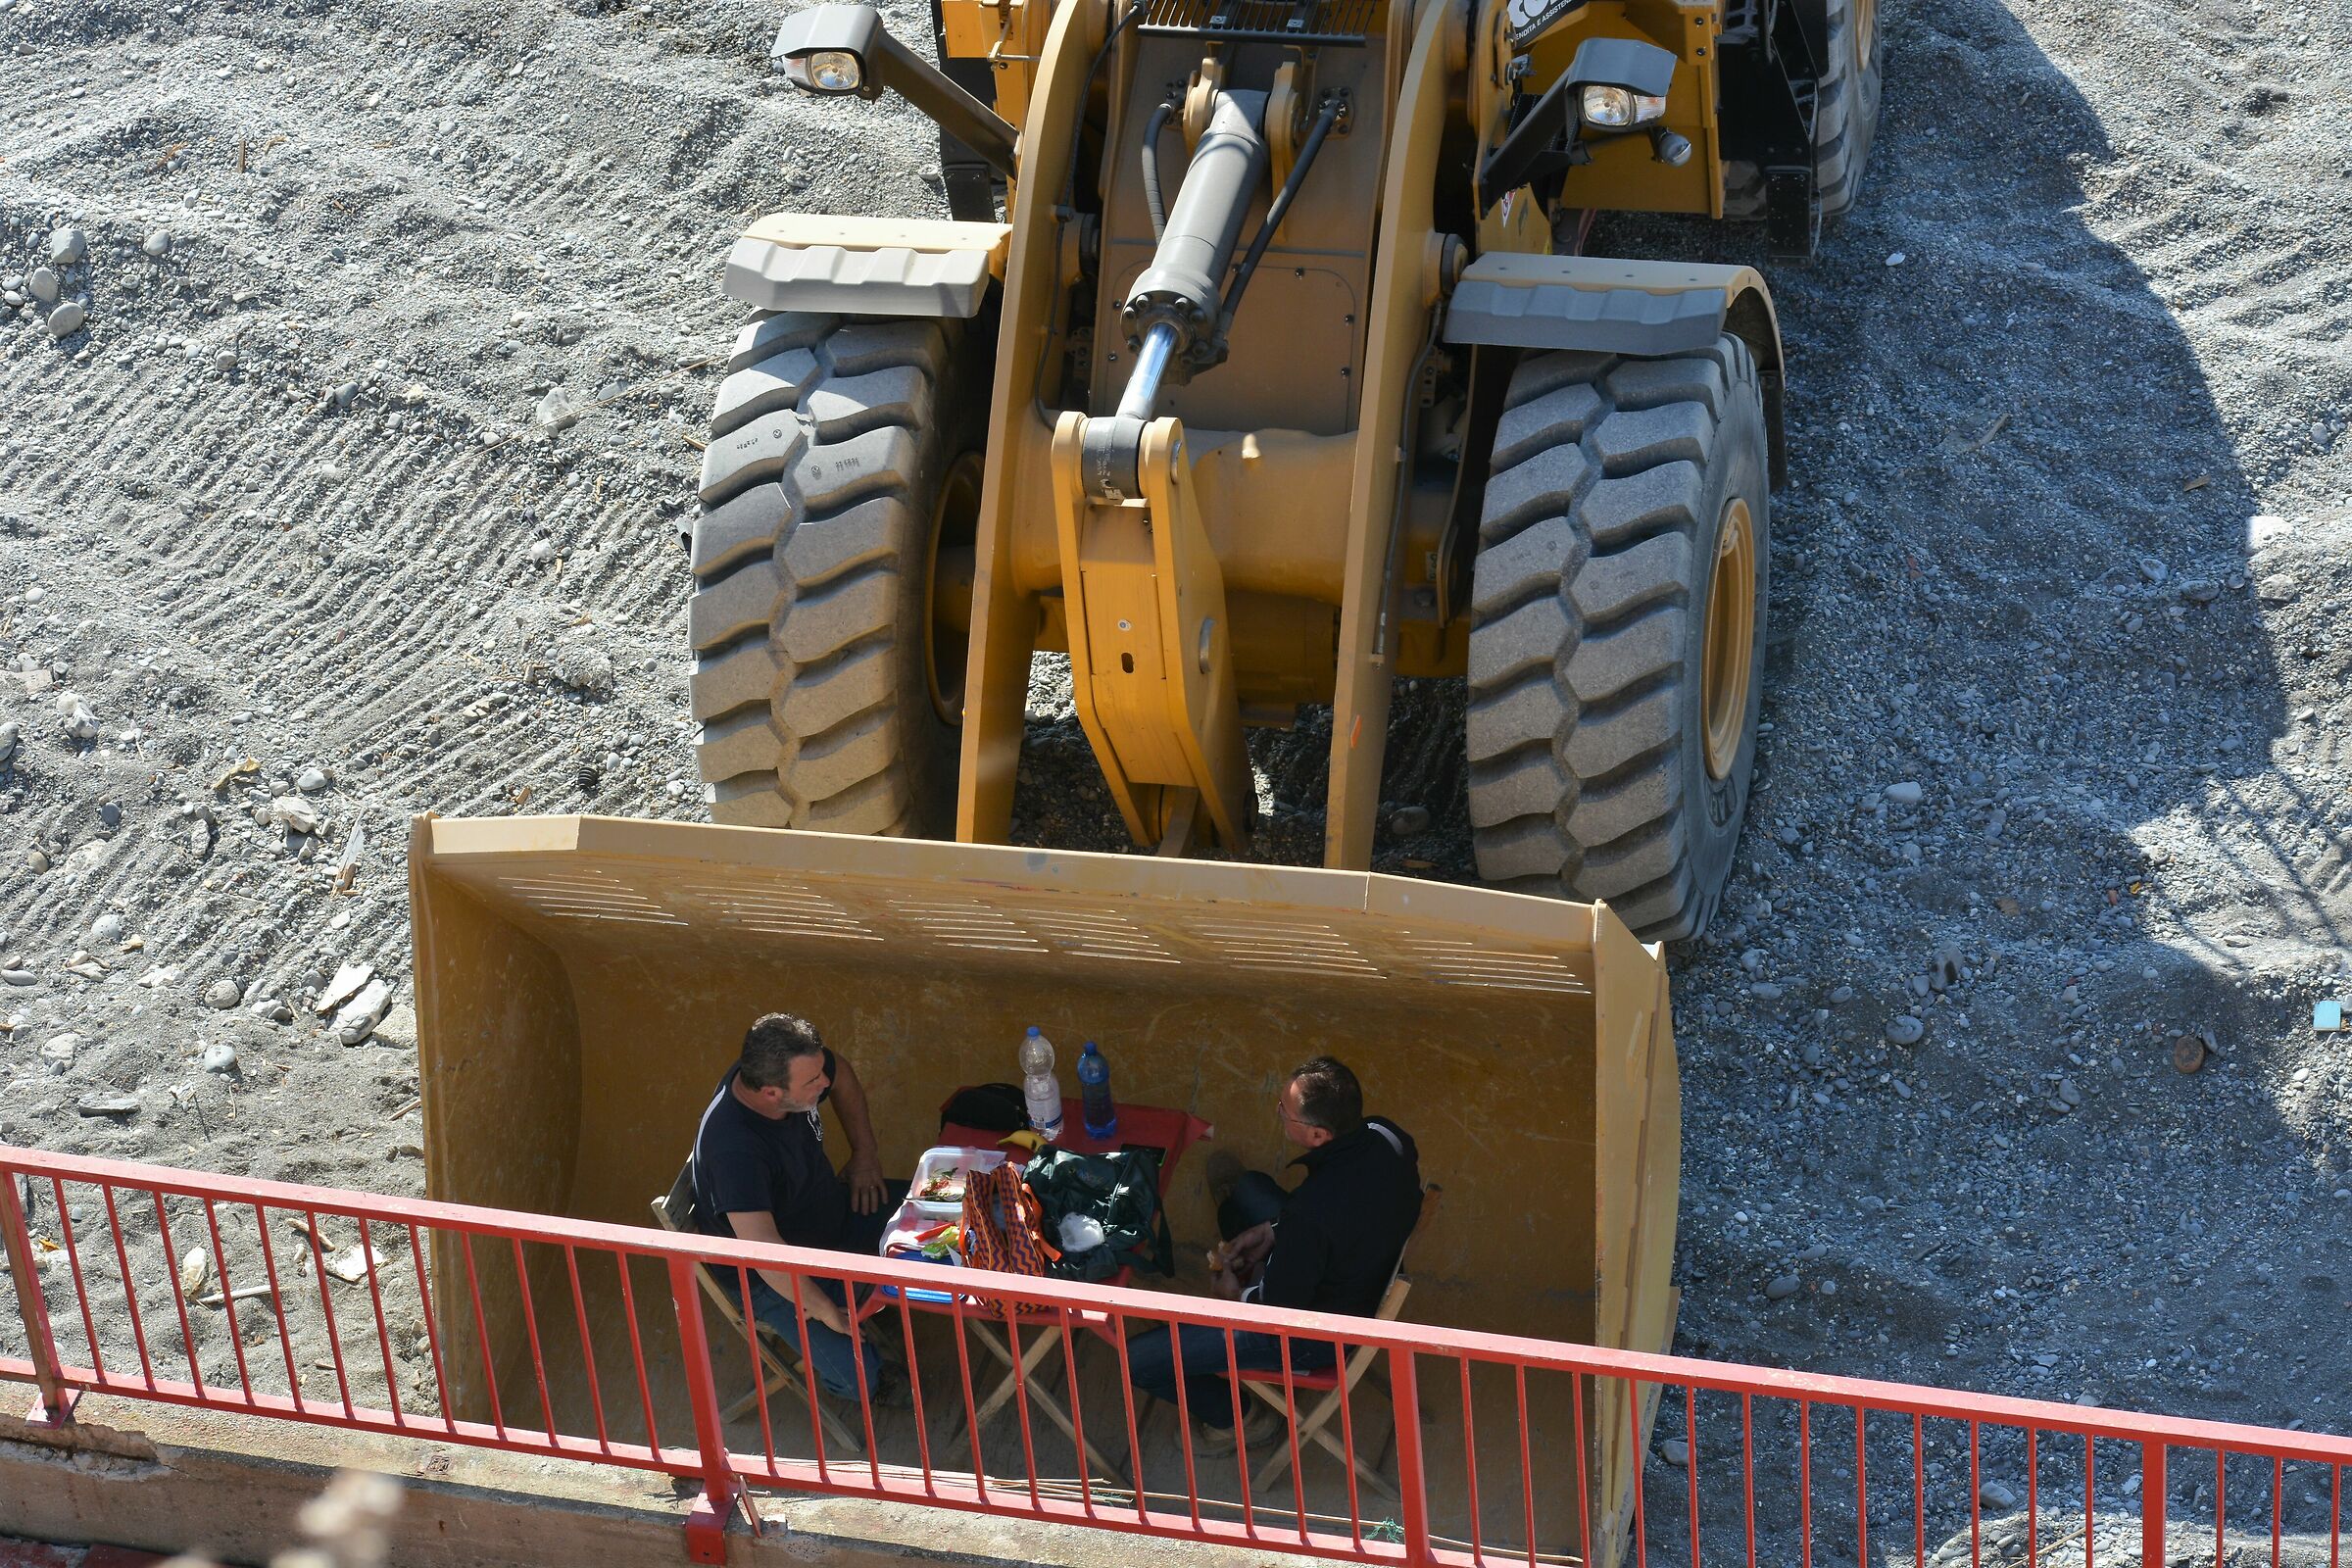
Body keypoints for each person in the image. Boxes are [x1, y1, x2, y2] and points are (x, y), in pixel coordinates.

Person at [1125, 1055, 1423, 1449]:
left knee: (1138, 1361)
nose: (1279, 1114)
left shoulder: (1311, 1216)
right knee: (1249, 1190)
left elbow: (1276, 1312)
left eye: (1285, 1111)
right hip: (1364, 1261)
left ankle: (1238, 1421)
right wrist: (1274, 1230)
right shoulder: (1386, 1134)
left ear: (1318, 1136)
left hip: (1314, 1335)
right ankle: (1240, 1218)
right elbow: (1343, 1216)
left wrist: (1236, 1294)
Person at [690, 1012, 910, 1404]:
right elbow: (765, 1255)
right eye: (812, 1082)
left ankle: (871, 1295)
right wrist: (823, 1307)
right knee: (860, 1381)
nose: (823, 1083)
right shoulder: (734, 1151)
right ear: (771, 1093)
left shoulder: (776, 1070)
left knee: (933, 1216)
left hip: (832, 1214)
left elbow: (838, 1070)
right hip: (770, 1275)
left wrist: (865, 1154)